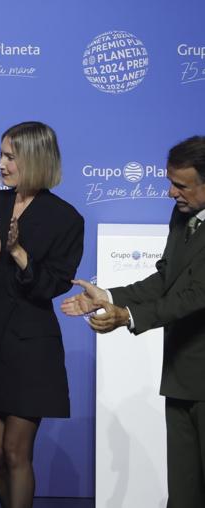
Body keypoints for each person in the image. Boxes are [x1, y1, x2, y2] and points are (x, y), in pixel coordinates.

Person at [61, 135, 205, 508]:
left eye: (181, 185)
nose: (171, 193)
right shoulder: (184, 213)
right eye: (170, 182)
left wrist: (128, 317)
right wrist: (109, 297)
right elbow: (165, 278)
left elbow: (194, 296)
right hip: (182, 374)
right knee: (185, 492)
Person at [0, 121, 83, 508]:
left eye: (10, 156)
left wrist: (17, 253)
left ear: (34, 159)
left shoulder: (67, 219)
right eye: (1, 154)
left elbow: (53, 284)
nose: (1, 163)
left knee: (15, 452)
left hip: (33, 350)